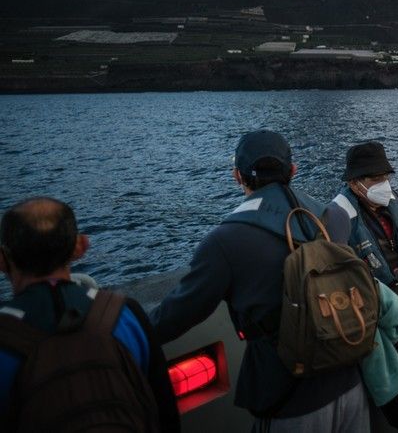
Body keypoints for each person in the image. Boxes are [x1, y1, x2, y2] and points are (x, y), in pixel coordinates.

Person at [151, 130, 369, 431]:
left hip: (289, 399)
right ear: (292, 171)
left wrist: (117, 329)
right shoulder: (333, 218)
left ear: (237, 176)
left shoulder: (225, 242)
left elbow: (175, 316)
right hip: (351, 384)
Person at [0, 197, 179, 431]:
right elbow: (165, 413)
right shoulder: (126, 315)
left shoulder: (6, 338)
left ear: (2, 260)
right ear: (81, 247)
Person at [331, 141, 398, 431]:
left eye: (385, 177)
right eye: (374, 179)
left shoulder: (391, 201)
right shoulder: (339, 215)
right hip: (384, 332)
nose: (383, 184)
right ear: (354, 183)